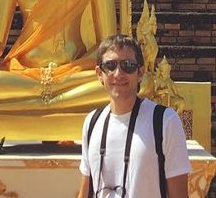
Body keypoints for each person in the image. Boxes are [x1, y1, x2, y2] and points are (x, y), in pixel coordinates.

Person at [77, 35, 190, 198]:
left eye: (128, 66)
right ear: (99, 73)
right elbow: (85, 191)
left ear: (140, 73)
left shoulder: (164, 121)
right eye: (110, 65)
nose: (118, 74)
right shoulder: (92, 122)